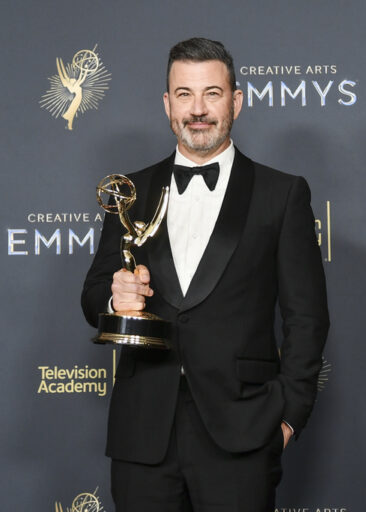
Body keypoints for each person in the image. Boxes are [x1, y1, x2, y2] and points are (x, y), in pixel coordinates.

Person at [81, 37, 329, 512]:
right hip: (142, 435)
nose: (197, 109)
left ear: (236, 101)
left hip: (243, 432)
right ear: (167, 104)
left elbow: (307, 318)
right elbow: (93, 294)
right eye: (184, 94)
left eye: (212, 94)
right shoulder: (130, 191)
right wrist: (115, 298)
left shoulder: (281, 194)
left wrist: (288, 420)